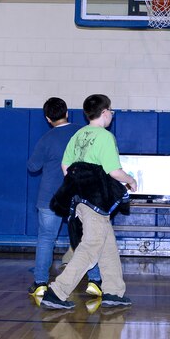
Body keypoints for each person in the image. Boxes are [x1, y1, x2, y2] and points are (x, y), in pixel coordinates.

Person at [41, 94, 137, 310]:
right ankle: (57, 292)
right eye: (110, 110)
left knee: (108, 246)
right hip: (95, 200)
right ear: (104, 112)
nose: (111, 114)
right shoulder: (104, 137)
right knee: (91, 246)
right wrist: (130, 180)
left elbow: (66, 167)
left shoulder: (78, 135)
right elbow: (113, 171)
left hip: (79, 200)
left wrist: (80, 184)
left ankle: (113, 292)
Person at [27, 97, 101, 297]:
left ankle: (41, 284)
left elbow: (32, 167)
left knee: (45, 240)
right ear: (67, 113)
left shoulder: (47, 139)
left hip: (50, 198)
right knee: (85, 239)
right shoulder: (82, 133)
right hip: (80, 197)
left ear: (48, 118)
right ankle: (95, 281)